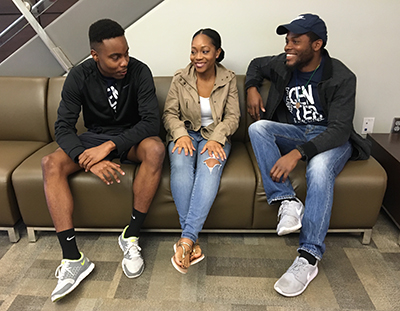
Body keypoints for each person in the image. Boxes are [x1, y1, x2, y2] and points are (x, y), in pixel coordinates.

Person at [246, 14, 371, 297]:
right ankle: (287, 201)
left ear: (317, 44)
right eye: (287, 40)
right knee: (259, 128)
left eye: (295, 41)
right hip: (298, 130)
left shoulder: (341, 76)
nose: (288, 46)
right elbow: (255, 64)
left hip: (330, 138)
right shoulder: (283, 63)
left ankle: (309, 257)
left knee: (318, 168)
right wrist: (252, 87)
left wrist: (298, 154)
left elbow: (339, 130)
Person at [41, 19, 165, 302]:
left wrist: (110, 146)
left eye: (126, 53)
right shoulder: (79, 76)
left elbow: (150, 123)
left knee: (156, 149)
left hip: (129, 139)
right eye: (115, 57)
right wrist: (89, 161)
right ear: (95, 55)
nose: (124, 62)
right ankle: (73, 259)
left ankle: (130, 236)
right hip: (94, 139)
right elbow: (63, 127)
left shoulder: (139, 71)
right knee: (50, 164)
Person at [163, 28, 240, 274]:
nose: (198, 56)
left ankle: (185, 241)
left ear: (217, 52)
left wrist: (218, 138)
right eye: (194, 51)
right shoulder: (180, 78)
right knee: (183, 168)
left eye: (205, 51)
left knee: (208, 171)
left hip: (215, 137)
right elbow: (169, 114)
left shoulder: (229, 79)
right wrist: (181, 135)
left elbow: (234, 116)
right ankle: (191, 241)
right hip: (185, 134)